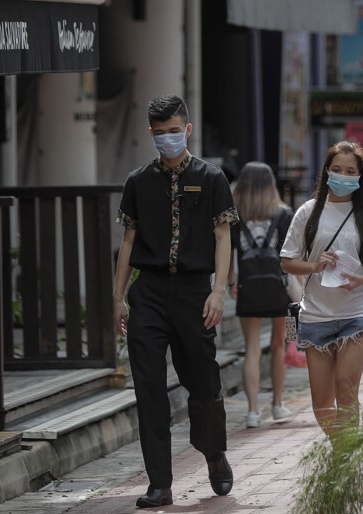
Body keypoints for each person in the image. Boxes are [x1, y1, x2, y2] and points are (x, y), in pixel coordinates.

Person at [113, 95, 238, 509]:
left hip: (193, 292)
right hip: (147, 292)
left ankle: (214, 452)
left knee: (202, 381)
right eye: (159, 132)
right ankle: (160, 484)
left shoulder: (212, 177)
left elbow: (223, 237)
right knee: (149, 387)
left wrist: (218, 290)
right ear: (151, 133)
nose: (167, 138)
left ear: (188, 129)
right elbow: (128, 241)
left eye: (174, 130)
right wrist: (118, 297)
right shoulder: (137, 181)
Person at [279, 140, 363, 439]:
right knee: (321, 404)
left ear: (360, 176)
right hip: (316, 315)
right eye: (336, 170)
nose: (343, 176)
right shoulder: (307, 213)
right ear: (326, 172)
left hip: (358, 311)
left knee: (346, 388)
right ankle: (344, 452)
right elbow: (287, 261)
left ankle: (347, 461)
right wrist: (314, 266)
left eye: (350, 171)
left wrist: (361, 279)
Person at [227, 161, 295, 429]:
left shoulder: (235, 215)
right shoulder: (283, 214)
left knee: (252, 348)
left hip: (248, 286)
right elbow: (291, 253)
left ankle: (253, 411)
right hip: (278, 286)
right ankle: (278, 405)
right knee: (279, 345)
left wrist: (231, 281)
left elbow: (228, 252)